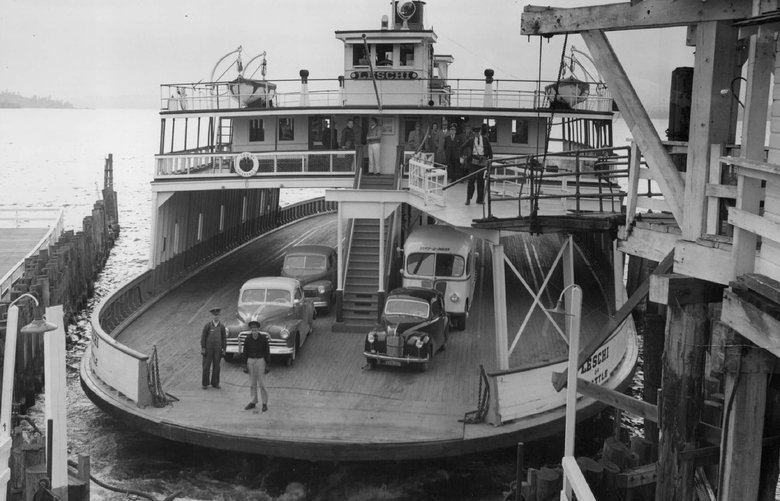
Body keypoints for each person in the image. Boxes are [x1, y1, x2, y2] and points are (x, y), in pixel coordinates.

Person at [459, 124, 493, 205]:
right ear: (473, 133)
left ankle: (479, 199)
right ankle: (468, 199)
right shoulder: (471, 140)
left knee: (480, 181)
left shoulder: (485, 140)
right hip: (473, 162)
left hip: (482, 162)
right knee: (471, 180)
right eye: (475, 132)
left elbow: (490, 152)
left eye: (478, 132)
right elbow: (462, 147)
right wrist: (462, 157)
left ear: (480, 132)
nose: (476, 134)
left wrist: (490, 161)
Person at [243, 320, 270, 412]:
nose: (254, 331)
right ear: (251, 330)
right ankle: (253, 402)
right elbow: (245, 352)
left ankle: (264, 403)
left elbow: (267, 352)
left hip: (260, 361)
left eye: (256, 330)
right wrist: (244, 365)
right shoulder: (247, 339)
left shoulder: (263, 339)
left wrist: (267, 365)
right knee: (252, 384)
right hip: (250, 361)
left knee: (262, 384)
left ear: (258, 330)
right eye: (252, 330)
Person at [201, 307, 227, 389]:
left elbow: (224, 339)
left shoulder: (222, 327)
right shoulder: (207, 326)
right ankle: (205, 384)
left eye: (217, 315)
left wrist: (224, 349)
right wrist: (203, 348)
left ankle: (215, 383)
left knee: (216, 366)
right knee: (206, 366)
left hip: (218, 350)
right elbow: (203, 337)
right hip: (208, 350)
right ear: (212, 316)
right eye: (214, 315)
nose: (216, 317)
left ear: (219, 316)